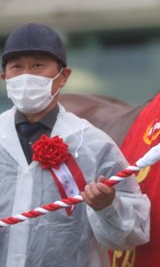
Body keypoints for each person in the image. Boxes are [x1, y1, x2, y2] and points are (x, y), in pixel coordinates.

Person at [0, 23, 150, 267]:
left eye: (38, 65)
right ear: (5, 77)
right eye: (17, 67)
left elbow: (134, 233)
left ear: (63, 76)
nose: (26, 75)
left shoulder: (93, 144)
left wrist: (109, 206)